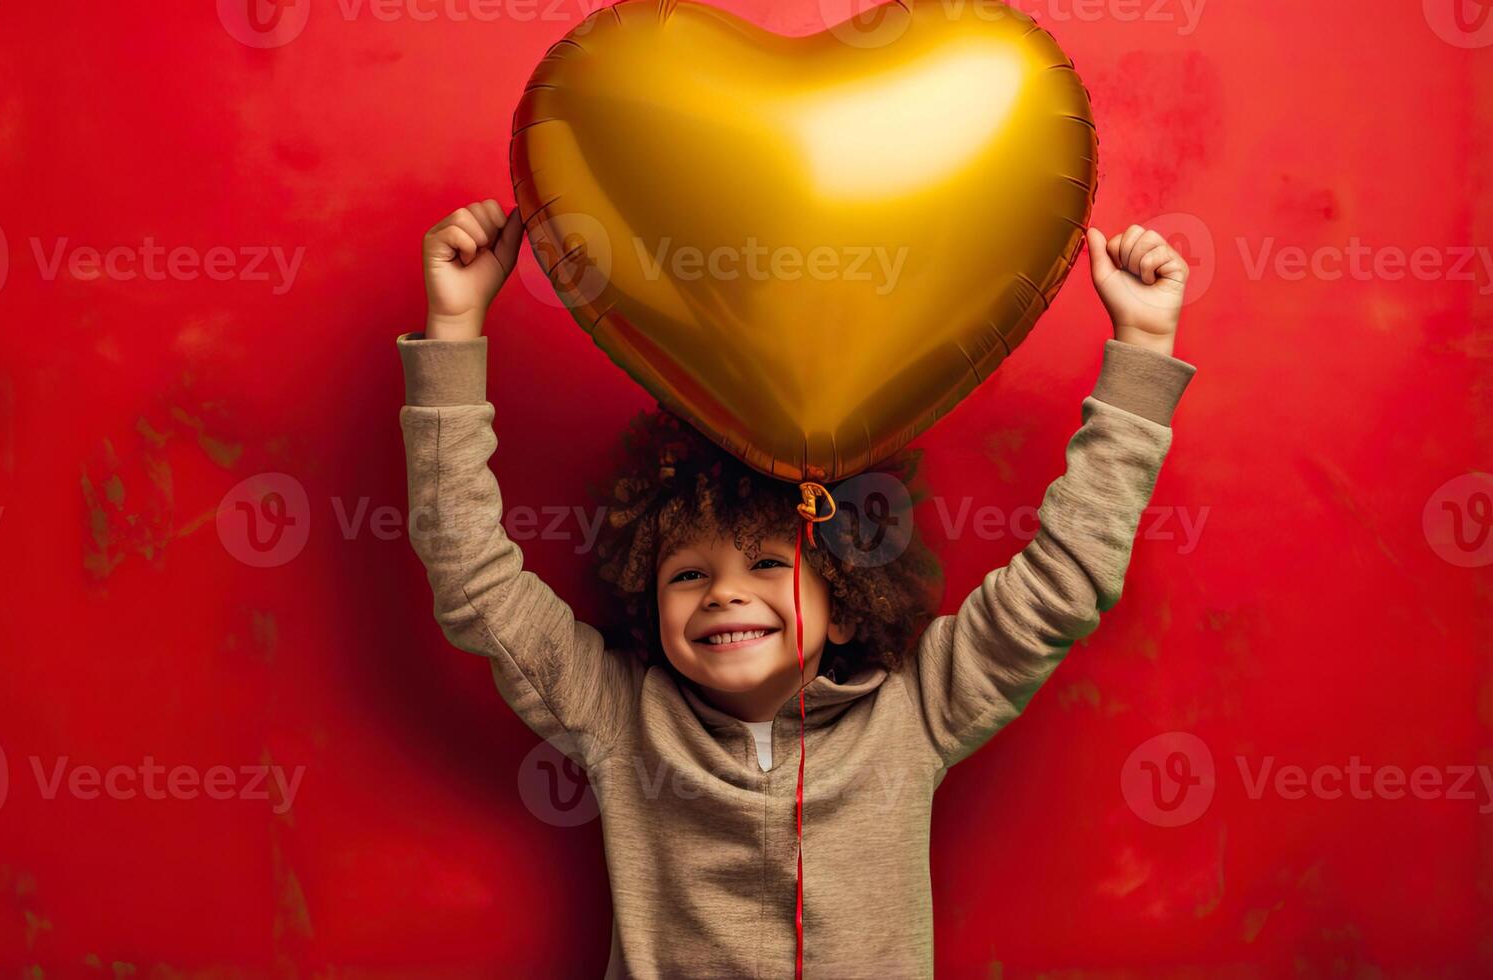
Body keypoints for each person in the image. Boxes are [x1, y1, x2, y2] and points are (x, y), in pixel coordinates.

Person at [399, 199, 1197, 976]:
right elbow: (471, 572)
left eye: (768, 564)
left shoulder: (916, 710)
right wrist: (454, 327)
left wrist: (1143, 345)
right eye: (686, 575)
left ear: (845, 600)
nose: (722, 594)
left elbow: (1066, 579)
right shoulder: (616, 716)